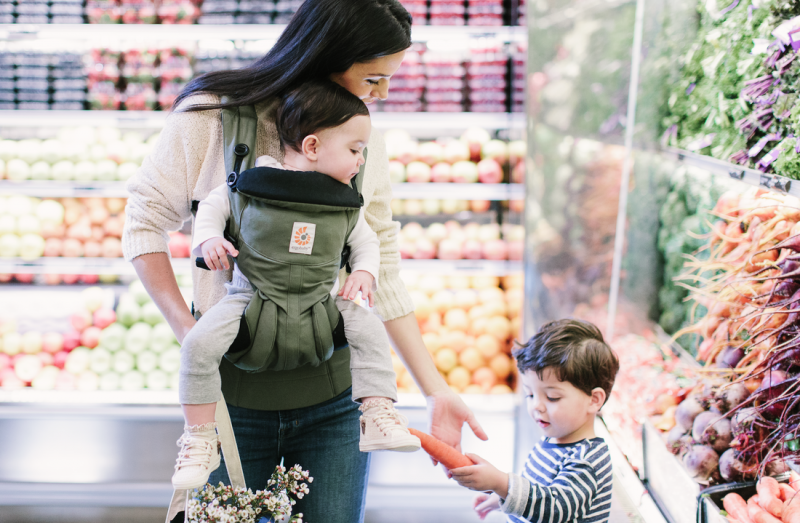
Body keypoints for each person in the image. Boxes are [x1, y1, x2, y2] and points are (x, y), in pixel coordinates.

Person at [121, 1, 487, 520]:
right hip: (230, 405)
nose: (382, 93)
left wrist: (436, 389)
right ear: (331, 56)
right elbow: (143, 222)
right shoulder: (213, 114)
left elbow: (380, 269)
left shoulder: (360, 139)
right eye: (375, 77)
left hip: (336, 404)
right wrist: (188, 328)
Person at [172, 80, 421, 491]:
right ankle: (199, 436)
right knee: (197, 345)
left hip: (321, 303)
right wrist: (209, 238)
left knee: (369, 327)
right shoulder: (258, 179)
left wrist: (364, 272)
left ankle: (377, 409)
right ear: (311, 147)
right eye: (355, 150)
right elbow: (217, 205)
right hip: (250, 300)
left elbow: (367, 240)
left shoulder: (342, 201)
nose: (362, 160)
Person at [450, 319, 619, 523]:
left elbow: (554, 509)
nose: (536, 406)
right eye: (530, 395)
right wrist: (502, 499)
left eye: (552, 397)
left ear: (594, 400)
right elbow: (536, 493)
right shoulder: (552, 440)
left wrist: (501, 483)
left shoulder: (587, 460)